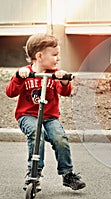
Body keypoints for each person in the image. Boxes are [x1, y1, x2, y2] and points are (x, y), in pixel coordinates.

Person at [6, 33, 86, 192]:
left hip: (49, 118)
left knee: (60, 138)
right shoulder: (25, 73)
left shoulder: (54, 74)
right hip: (27, 116)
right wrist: (18, 77)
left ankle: (67, 174)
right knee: (37, 134)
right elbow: (10, 92)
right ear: (39, 56)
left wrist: (63, 81)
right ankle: (34, 173)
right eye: (55, 55)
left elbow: (65, 92)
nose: (58, 58)